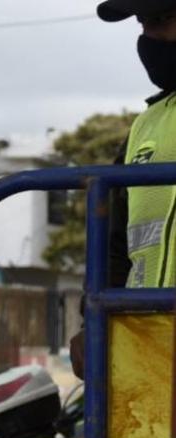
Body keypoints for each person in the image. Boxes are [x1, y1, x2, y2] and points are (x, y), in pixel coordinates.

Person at [69, 0, 176, 378]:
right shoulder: (145, 126)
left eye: (162, 20)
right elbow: (115, 244)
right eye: (144, 23)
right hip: (146, 340)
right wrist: (92, 319)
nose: (149, 37)